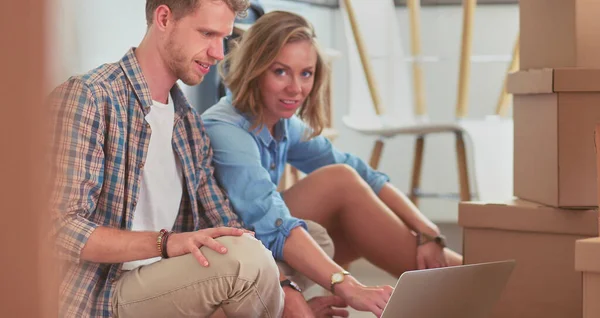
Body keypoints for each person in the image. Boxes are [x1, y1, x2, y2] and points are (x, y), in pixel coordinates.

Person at [202, 10, 464, 317]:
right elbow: (270, 221)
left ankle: (461, 280)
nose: (296, 88)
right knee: (338, 182)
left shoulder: (283, 124)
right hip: (223, 253)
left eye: (306, 73)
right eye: (280, 72)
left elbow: (364, 175)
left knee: (347, 183)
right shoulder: (226, 128)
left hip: (259, 237)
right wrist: (347, 284)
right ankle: (464, 284)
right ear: (255, 69)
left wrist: (428, 231)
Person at [48, 1, 286, 317]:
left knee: (277, 250)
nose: (218, 53)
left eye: (223, 38)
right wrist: (164, 243)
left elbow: (224, 222)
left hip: (162, 281)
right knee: (247, 265)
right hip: (102, 295)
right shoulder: (91, 97)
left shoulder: (188, 123)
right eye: (207, 34)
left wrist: (284, 286)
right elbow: (60, 227)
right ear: (164, 18)